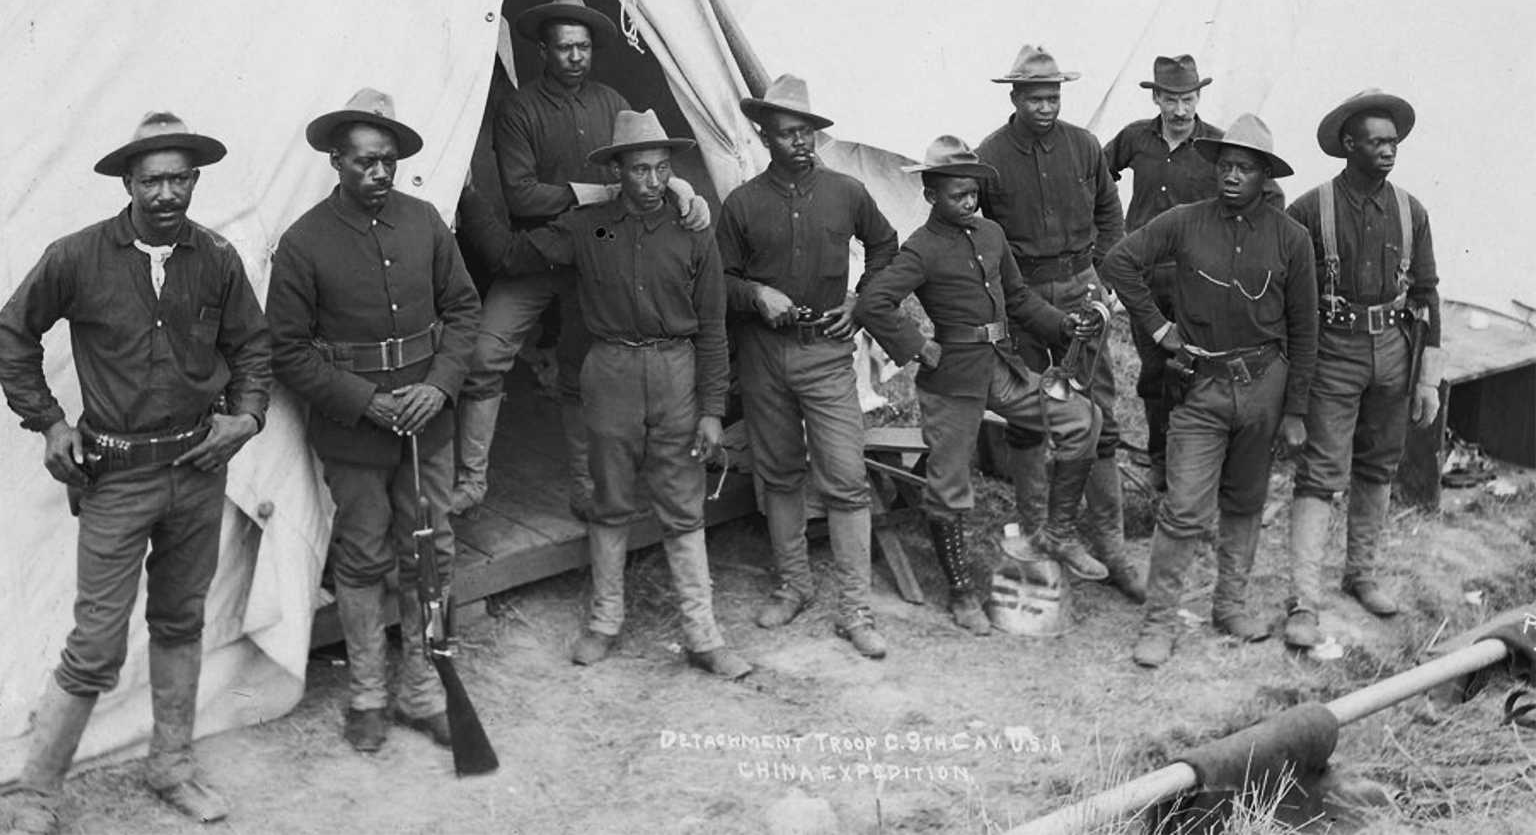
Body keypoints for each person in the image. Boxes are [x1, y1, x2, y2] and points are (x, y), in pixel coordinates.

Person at [0, 112, 269, 831]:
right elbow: (11, 335)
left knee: (180, 619)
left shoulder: (216, 257)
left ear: (196, 180)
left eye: (180, 178)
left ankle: (171, 764)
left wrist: (246, 416)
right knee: (96, 643)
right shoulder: (78, 257)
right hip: (116, 478)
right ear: (128, 183)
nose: (167, 192)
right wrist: (49, 422)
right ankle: (36, 794)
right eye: (153, 179)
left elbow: (254, 347)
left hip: (198, 469)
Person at [465, 110, 750, 679]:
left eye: (661, 168)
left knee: (682, 505)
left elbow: (714, 328)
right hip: (609, 372)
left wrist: (713, 410)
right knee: (609, 500)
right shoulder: (585, 227)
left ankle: (703, 633)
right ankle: (604, 621)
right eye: (639, 168)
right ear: (617, 172)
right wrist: (469, 196)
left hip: (676, 372)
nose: (650, 179)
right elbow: (509, 256)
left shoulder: (694, 232)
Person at [265, 89, 482, 753]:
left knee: (431, 553)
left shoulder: (425, 224)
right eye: (364, 162)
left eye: (387, 161)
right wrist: (363, 400)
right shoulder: (303, 243)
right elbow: (286, 348)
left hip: (427, 425)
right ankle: (366, 691)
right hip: (354, 431)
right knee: (361, 557)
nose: (379, 173)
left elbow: (466, 312)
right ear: (336, 161)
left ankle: (420, 689)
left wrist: (440, 386)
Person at [452, 0, 708, 519]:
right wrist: (595, 192)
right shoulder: (520, 109)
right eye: (564, 47)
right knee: (484, 355)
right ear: (542, 51)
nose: (575, 57)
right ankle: (472, 481)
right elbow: (522, 194)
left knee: (578, 372)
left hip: (598, 253)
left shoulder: (612, 102)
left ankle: (583, 488)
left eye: (583, 47)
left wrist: (682, 188)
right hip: (537, 251)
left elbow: (641, 166)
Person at [855, 135, 1105, 634]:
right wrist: (918, 348)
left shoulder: (991, 234)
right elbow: (872, 303)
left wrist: (1062, 326)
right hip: (952, 380)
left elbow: (1019, 299)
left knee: (1083, 417)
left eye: (973, 193)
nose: (968, 203)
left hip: (1003, 367)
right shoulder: (920, 250)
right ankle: (962, 593)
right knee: (949, 485)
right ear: (931, 195)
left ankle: (1057, 533)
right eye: (957, 195)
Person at [1102, 114, 1318, 668]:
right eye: (1225, 165)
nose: (1232, 176)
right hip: (1201, 386)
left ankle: (1230, 606)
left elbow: (1305, 328)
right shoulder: (1184, 221)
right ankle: (1158, 622)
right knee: (1184, 508)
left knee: (1245, 500)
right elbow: (1120, 261)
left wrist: (1295, 410)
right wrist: (1161, 329)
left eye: (1245, 168)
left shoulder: (1291, 239)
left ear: (1265, 176)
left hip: (1265, 386)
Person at [717, 74, 899, 658]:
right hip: (765, 355)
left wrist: (860, 304)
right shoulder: (742, 203)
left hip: (826, 350)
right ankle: (794, 585)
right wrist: (755, 296)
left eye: (807, 133)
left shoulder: (847, 192)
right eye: (786, 134)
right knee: (779, 474)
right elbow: (717, 281)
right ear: (763, 136)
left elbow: (886, 246)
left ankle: (855, 608)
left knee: (846, 477)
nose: (800, 143)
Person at [974, 45, 1140, 600]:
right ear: (1015, 97)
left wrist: (1108, 275)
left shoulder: (1085, 146)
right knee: (1030, 410)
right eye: (1035, 97)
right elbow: (982, 239)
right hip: (1022, 294)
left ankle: (1110, 544)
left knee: (1098, 412)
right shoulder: (990, 156)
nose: (1046, 107)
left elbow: (1109, 214)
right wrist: (1001, 299)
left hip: (1081, 285)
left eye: (1054, 96)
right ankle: (1037, 528)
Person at [1281, 90, 1442, 648]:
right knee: (1321, 472)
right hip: (1333, 352)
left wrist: (1426, 378)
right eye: (1376, 142)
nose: (1388, 151)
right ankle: (1304, 601)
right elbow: (1287, 298)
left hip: (1395, 353)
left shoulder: (1411, 210)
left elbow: (1427, 294)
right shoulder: (1307, 209)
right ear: (1348, 146)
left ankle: (1362, 575)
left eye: (1393, 142)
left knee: (1378, 466)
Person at [1103, 55, 1285, 492]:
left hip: (1199, 282)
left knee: (1198, 371)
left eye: (1188, 99)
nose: (1180, 110)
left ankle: (1203, 467)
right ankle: (1160, 463)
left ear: (1199, 96)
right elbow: (1094, 180)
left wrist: (1236, 253)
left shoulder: (1219, 147)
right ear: (1157, 98)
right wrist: (1107, 241)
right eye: (1171, 100)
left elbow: (1272, 198)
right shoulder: (1134, 139)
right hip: (1145, 277)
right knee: (1153, 373)